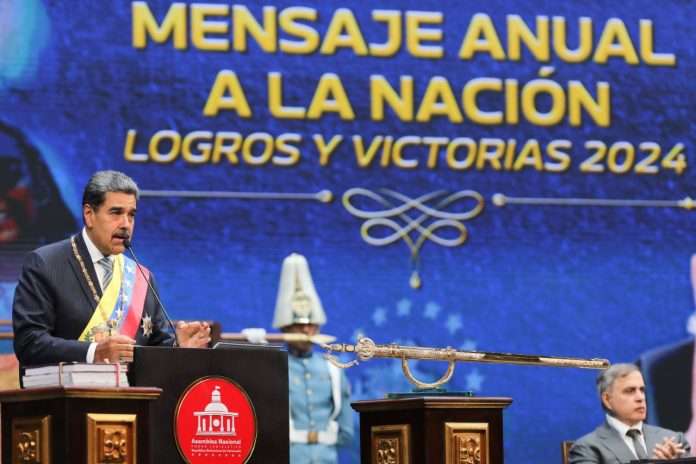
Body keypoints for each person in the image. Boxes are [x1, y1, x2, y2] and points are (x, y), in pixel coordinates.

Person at [12, 170, 210, 369]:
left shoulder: (142, 276)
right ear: (89, 215)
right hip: (65, 388)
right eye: (116, 213)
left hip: (131, 389)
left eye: (131, 215)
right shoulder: (45, 264)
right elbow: (29, 343)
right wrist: (94, 352)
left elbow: (155, 347)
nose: (126, 224)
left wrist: (178, 348)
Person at [272, 252, 353, 464]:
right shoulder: (273, 369)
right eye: (299, 325)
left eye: (311, 325)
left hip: (327, 457)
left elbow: (346, 430)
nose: (306, 330)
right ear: (286, 327)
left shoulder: (333, 368)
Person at [569, 363, 690, 463]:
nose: (640, 398)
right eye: (630, 391)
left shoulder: (674, 441)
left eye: (642, 390)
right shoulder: (587, 448)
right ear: (607, 399)